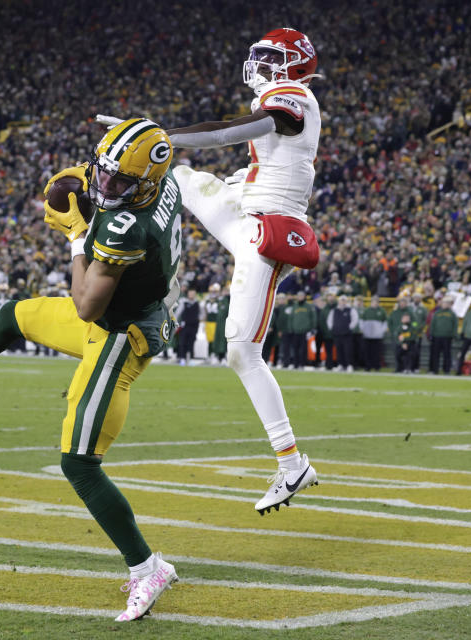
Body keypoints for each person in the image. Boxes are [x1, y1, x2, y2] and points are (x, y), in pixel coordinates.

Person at [0, 119, 181, 621]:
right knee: (16, 315)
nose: (103, 186)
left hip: (118, 337)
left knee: (78, 463)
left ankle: (147, 567)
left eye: (118, 182)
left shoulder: (125, 226)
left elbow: (86, 304)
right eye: (104, 173)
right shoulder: (163, 181)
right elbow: (140, 159)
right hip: (129, 310)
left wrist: (75, 235)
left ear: (145, 183)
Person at [100, 28, 321, 514]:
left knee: (243, 353)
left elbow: (226, 131)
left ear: (293, 65)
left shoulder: (294, 97)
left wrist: (163, 135)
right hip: (246, 213)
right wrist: (141, 143)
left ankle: (292, 464)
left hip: (264, 230)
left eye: (269, 57)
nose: (258, 64)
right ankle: (140, 255)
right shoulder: (283, 93)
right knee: (172, 175)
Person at [327, 294, 358, 371]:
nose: (342, 302)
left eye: (344, 300)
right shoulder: (334, 310)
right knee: (338, 350)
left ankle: (349, 365)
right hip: (337, 333)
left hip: (347, 334)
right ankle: (340, 364)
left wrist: (349, 328)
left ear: (346, 301)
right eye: (341, 300)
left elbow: (355, 320)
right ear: (339, 301)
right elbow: (329, 321)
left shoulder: (350, 310)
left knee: (348, 350)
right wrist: (333, 328)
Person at [427, 295, 457, 374]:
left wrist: (454, 335)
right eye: (444, 303)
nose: (445, 304)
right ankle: (434, 370)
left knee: (447, 355)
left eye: (447, 303)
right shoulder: (437, 313)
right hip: (436, 336)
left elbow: (455, 325)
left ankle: (446, 370)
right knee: (435, 354)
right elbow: (432, 324)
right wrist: (431, 334)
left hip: (447, 337)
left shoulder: (452, 314)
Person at [360, 295, 387, 370]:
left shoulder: (382, 311)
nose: (375, 303)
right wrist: (364, 330)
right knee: (367, 351)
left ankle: (376, 366)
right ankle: (368, 366)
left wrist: (381, 331)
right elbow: (361, 321)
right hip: (368, 335)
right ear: (371, 302)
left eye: (376, 301)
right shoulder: (366, 310)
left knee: (377, 352)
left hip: (377, 336)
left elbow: (385, 322)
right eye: (373, 301)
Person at [175, 288, 200, 365]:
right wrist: (175, 322)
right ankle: (182, 358)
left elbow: (201, 314)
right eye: (190, 293)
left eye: (193, 293)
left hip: (193, 326)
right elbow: (177, 313)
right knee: (182, 343)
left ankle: (191, 359)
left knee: (191, 343)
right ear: (188, 294)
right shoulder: (183, 302)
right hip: (184, 326)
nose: (191, 295)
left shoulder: (197, 303)